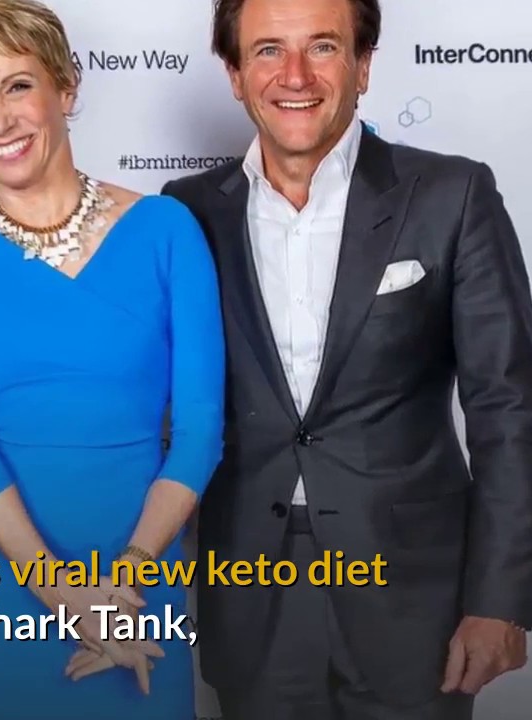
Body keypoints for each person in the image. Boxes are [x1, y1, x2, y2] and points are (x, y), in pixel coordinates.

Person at [160, 0, 532, 717]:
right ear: (234, 75)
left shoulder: (453, 194)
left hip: (413, 589)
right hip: (251, 586)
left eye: (323, 47)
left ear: (363, 66)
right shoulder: (186, 212)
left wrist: (501, 598)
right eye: (268, 51)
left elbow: (509, 408)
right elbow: (149, 386)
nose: (295, 75)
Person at [0, 1, 226, 718]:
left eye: (17, 86)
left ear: (66, 86)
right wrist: (65, 595)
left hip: (138, 582)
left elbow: (201, 432)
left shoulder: (165, 229)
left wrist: (121, 588)